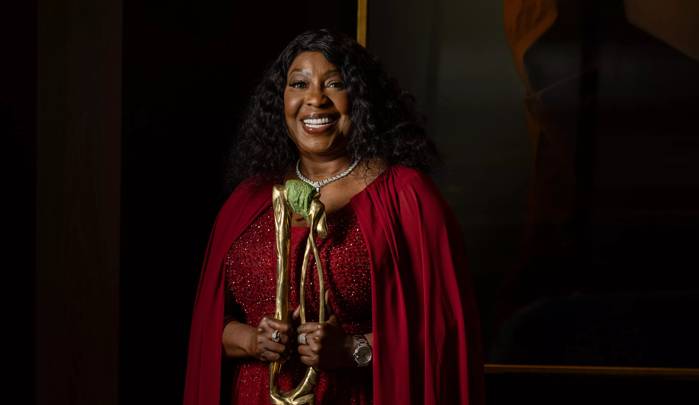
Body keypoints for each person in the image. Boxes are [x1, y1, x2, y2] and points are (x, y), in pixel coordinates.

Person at [183, 29, 484, 405]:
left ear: (359, 99)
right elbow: (207, 328)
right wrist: (251, 341)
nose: (315, 100)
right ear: (281, 101)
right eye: (299, 84)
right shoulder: (247, 200)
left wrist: (351, 349)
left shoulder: (406, 197)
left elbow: (446, 334)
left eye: (334, 84)